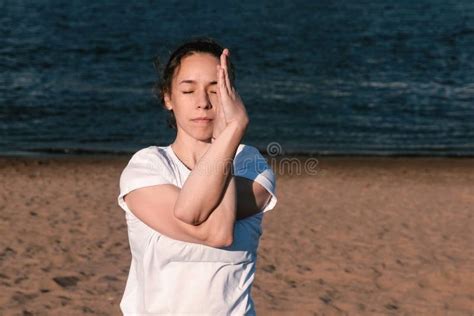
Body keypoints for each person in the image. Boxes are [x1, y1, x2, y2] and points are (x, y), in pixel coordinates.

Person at [117, 37, 278, 315]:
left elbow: (216, 229)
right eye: (188, 90)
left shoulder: (251, 165)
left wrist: (226, 135)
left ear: (232, 96)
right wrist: (232, 129)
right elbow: (212, 231)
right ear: (168, 98)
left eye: (215, 90)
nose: (203, 102)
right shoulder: (146, 167)